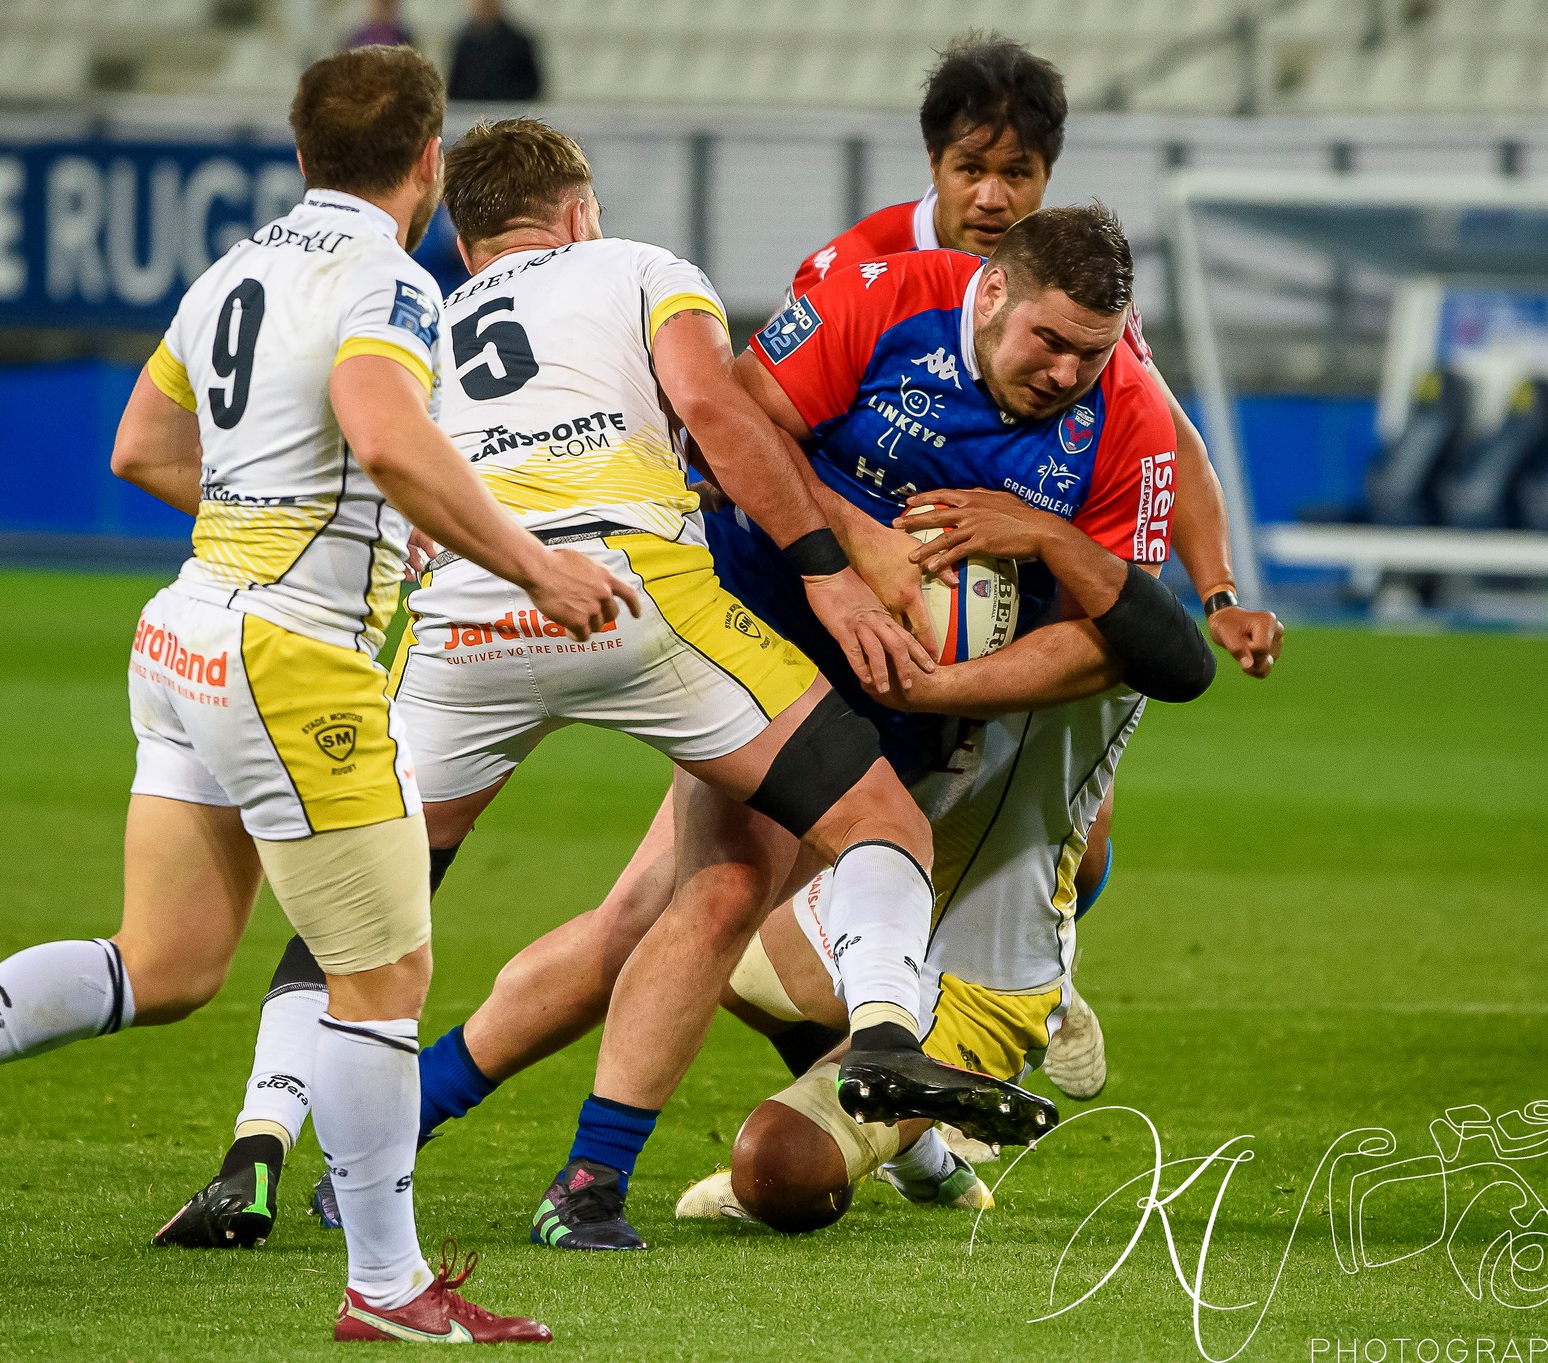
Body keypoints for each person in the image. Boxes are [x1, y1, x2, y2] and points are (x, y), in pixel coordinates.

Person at [0, 47, 634, 1345]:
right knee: (384, 971)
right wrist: (531, 563)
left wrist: (289, 520)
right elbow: (385, 433)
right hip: (289, 652)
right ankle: (389, 1286)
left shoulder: (236, 268)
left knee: (164, 962)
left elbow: (143, 447)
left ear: (298, 155)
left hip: (184, 632)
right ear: (427, 162)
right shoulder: (390, 278)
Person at [154, 114, 1058, 1255]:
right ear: (578, 210)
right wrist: (827, 571)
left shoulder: (416, 317)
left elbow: (326, 458)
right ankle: (868, 1042)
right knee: (869, 815)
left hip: (463, 620)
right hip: (632, 594)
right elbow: (719, 410)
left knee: (364, 906)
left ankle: (260, 1151)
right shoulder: (638, 267)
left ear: (467, 236)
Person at [264, 204, 1216, 1254]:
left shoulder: (1124, 408)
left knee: (645, 912)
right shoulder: (880, 295)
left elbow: (1132, 646)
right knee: (718, 893)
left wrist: (946, 683)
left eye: (1091, 352)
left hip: (926, 701)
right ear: (989, 291)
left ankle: (899, 1120)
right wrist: (849, 550)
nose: (1066, 372)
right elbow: (729, 435)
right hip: (767, 628)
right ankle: (603, 1173)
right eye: (1049, 343)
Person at [789, 33, 1285, 1097]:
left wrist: (1217, 591)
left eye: (1017, 172)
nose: (992, 193)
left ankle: (1030, 981)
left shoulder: (1074, 294)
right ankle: (905, 1049)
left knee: (1083, 843)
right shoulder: (864, 265)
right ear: (933, 165)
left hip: (1011, 593)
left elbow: (1173, 441)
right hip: (865, 592)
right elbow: (765, 425)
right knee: (822, 856)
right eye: (972, 168)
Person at [677, 674, 1146, 1231]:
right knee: (715, 948)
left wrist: (1215, 594)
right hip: (872, 902)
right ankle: (919, 1156)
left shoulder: (1079, 645)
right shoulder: (881, 617)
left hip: (976, 986)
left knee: (777, 1168)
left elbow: (1169, 656)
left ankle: (1045, 999)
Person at [447, 0, 543, 102]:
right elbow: (455, 85)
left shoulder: (518, 42)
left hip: (509, 110)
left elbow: (531, 84)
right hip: (472, 112)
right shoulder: (464, 44)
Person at [347, 0, 414, 50]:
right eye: (381, 4)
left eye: (388, 5)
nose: (383, 10)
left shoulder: (404, 36)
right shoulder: (359, 36)